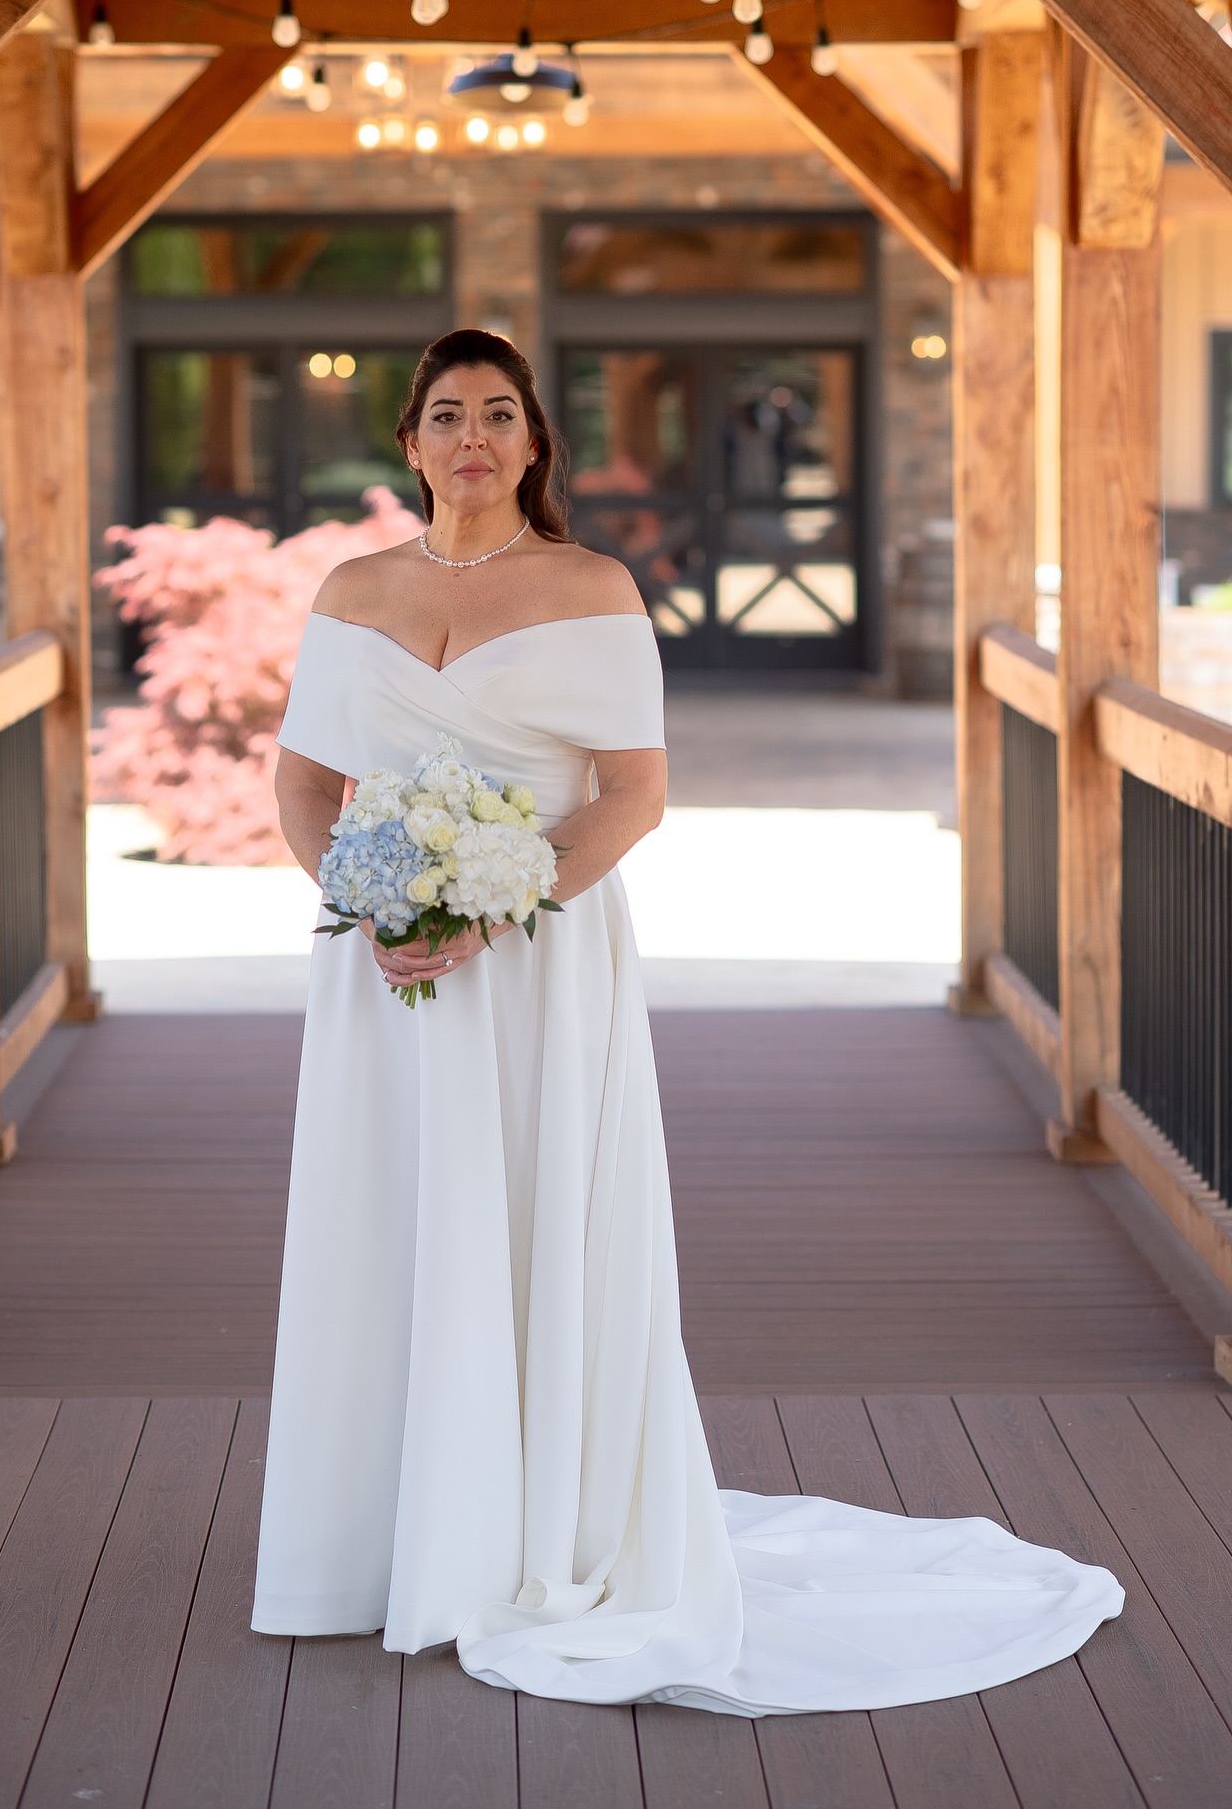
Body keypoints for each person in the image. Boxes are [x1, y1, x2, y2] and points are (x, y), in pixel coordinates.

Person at [251, 329, 1123, 1713]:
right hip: (381, 971)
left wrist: (485, 911)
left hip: (536, 952)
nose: (471, 438)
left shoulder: (590, 585)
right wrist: (363, 907)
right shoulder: (352, 589)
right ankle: (380, 1542)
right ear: (409, 444)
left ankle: (541, 1532)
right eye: (443, 416)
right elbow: (303, 781)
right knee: (396, 1216)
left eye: (498, 415)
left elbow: (631, 796)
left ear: (536, 443)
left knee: (535, 1215)